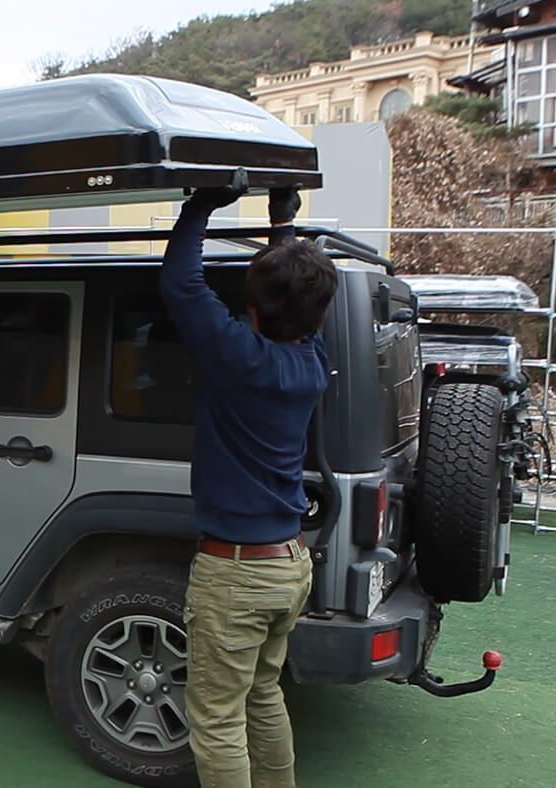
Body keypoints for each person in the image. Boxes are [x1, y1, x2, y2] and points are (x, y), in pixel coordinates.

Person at [159, 171, 337, 788]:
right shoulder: (311, 360)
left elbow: (181, 283)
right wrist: (282, 226)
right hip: (288, 565)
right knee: (263, 694)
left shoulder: (241, 357)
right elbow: (292, 296)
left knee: (216, 720)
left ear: (254, 308)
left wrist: (203, 204)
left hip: (236, 574)